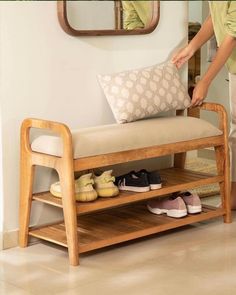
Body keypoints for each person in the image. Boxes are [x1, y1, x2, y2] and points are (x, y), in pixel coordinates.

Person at [172, 1, 236, 209]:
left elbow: (232, 34)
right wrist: (191, 48)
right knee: (234, 132)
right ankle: (233, 194)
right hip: (234, 65)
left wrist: (205, 81)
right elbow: (215, 18)